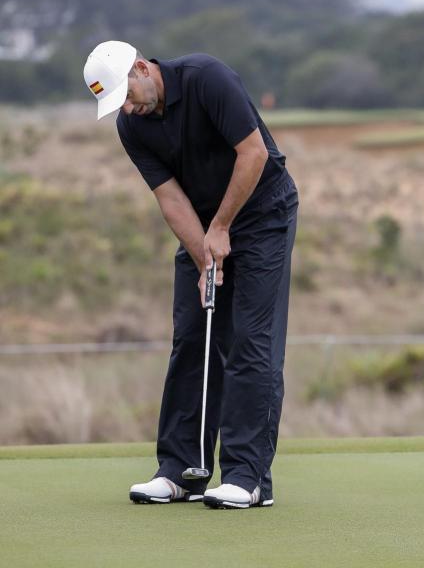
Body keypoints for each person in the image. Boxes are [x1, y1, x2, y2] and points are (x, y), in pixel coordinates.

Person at [83, 41, 298, 509]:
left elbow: (253, 153)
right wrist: (204, 258)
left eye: (128, 94)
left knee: (250, 341)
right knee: (192, 339)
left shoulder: (207, 78)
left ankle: (248, 477)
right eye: (118, 103)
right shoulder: (132, 125)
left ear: (142, 67)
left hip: (263, 214)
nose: (128, 107)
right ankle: (181, 470)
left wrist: (221, 228)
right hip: (200, 225)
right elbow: (170, 198)